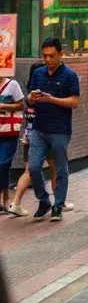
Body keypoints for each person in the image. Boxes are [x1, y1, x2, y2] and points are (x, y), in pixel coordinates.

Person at [26, 38, 79, 221]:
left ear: (60, 54)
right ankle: (44, 200)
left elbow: (74, 102)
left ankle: (58, 206)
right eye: (45, 56)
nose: (47, 60)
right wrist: (32, 98)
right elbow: (29, 99)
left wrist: (52, 99)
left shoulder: (69, 75)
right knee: (33, 167)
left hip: (60, 130)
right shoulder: (38, 73)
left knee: (60, 169)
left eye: (51, 56)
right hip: (39, 129)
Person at [0, 76, 25, 212]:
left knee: (3, 164)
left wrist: (4, 106)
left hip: (8, 132)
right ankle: (5, 197)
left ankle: (5, 198)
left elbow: (21, 104)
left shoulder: (12, 84)